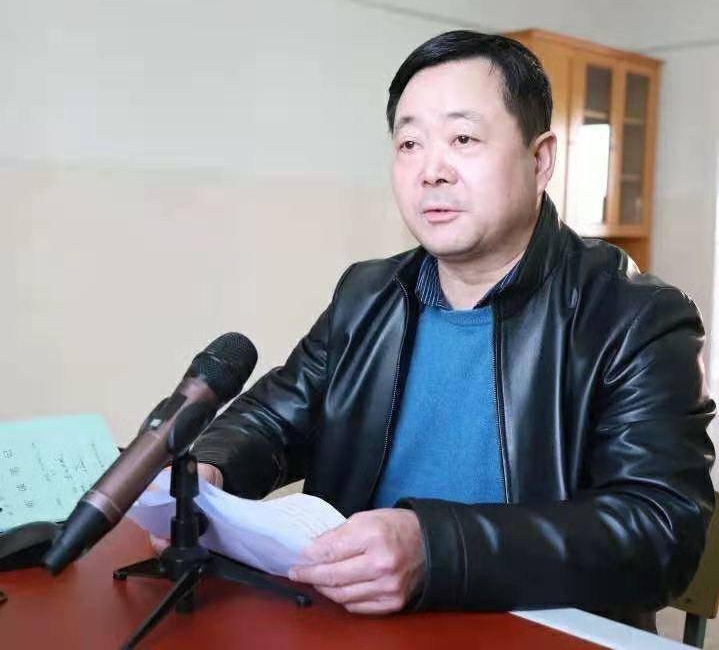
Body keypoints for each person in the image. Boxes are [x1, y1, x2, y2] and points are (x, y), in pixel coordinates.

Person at [167, 31, 715, 628]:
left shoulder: (635, 316)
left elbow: (660, 531)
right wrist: (209, 472)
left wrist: (437, 549)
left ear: (540, 160)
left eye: (463, 139)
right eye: (409, 143)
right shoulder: (367, 294)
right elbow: (276, 417)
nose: (431, 171)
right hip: (354, 623)